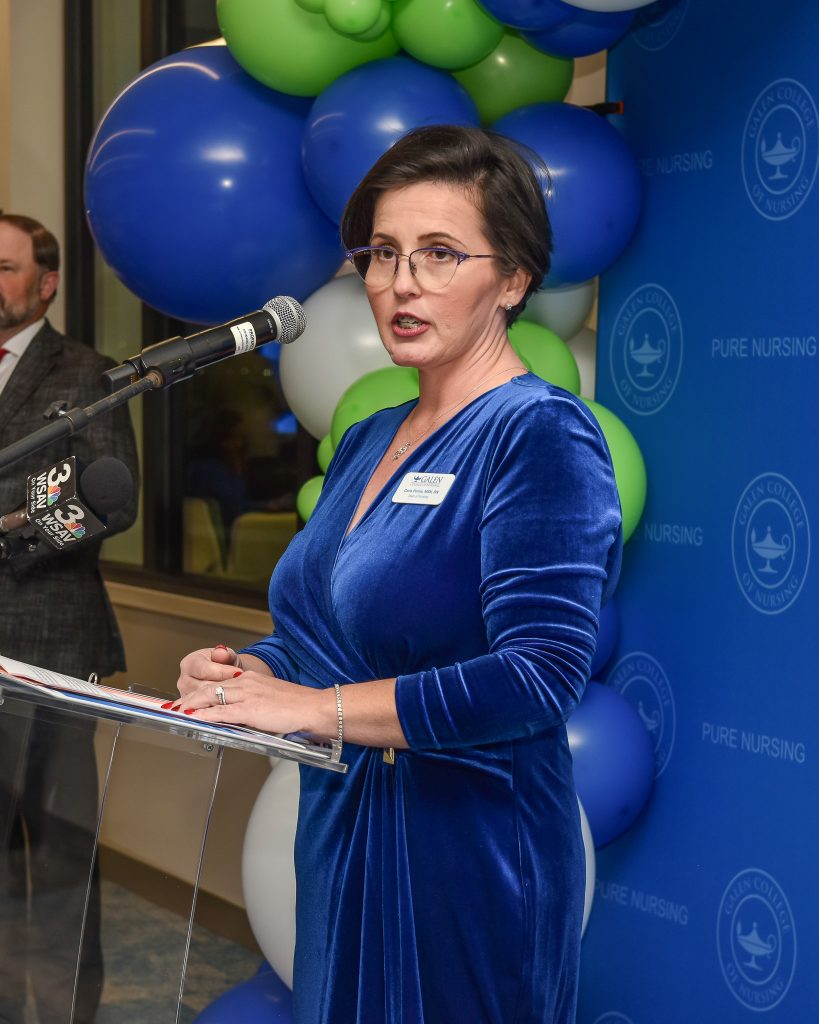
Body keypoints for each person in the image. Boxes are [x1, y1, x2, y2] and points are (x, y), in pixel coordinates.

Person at [175, 126, 622, 1023]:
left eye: (440, 254)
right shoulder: (372, 438)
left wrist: (309, 710)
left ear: (513, 280)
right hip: (343, 827)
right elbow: (324, 637)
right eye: (382, 254)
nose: (400, 282)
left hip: (469, 852)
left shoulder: (537, 434)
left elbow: (538, 676)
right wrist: (253, 672)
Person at [0, 213, 139, 1023]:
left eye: (5, 266)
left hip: (50, 652)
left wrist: (6, 535)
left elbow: (97, 503)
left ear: (45, 283)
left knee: (56, 870)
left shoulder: (83, 374)